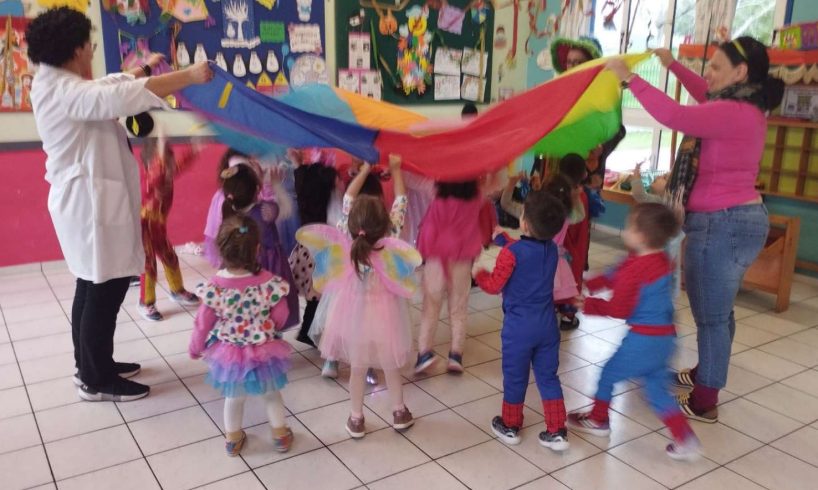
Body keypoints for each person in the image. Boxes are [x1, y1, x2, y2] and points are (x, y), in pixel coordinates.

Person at [27, 7, 212, 401]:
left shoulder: (57, 82)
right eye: (89, 45)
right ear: (75, 50)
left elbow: (109, 86)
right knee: (104, 287)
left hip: (88, 204)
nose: (92, 52)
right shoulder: (64, 91)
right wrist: (189, 76)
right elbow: (114, 96)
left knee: (93, 284)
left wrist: (144, 71)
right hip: (89, 207)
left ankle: (92, 364)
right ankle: (95, 379)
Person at [606, 36, 784, 422]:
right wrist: (671, 64)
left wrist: (630, 79)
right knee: (718, 312)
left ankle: (705, 399)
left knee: (712, 318)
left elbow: (676, 116)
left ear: (740, 72)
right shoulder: (746, 104)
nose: (709, 73)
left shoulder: (732, 110)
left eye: (716, 66)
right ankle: (707, 375)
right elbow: (703, 91)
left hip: (722, 223)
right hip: (736, 220)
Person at [568, 203, 700, 461]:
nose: (625, 229)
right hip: (666, 339)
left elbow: (620, 308)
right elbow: (615, 274)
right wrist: (590, 284)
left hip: (643, 340)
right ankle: (685, 439)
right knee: (657, 391)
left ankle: (598, 419)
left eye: (629, 225)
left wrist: (589, 304)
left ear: (641, 236)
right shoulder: (659, 259)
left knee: (608, 375)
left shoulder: (635, 268)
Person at [296, 194, 421, 439]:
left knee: (358, 369)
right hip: (386, 320)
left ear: (351, 226)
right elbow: (400, 206)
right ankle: (399, 413)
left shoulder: (346, 248)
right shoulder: (390, 248)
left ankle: (356, 419)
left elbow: (347, 200)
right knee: (391, 367)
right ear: (385, 226)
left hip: (353, 320)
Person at [189, 215, 294, 456]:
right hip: (265, 351)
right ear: (257, 249)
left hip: (230, 355)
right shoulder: (268, 283)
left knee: (233, 397)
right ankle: (280, 435)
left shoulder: (216, 286)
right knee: (271, 394)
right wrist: (270, 327)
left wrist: (196, 347)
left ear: (220, 249)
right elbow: (281, 315)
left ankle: (233, 439)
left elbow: (203, 323)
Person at [474, 191, 570, 451]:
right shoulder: (552, 250)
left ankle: (510, 424)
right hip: (547, 326)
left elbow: (494, 285)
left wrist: (480, 274)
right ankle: (557, 430)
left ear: (525, 223)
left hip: (518, 329)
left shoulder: (512, 254)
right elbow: (526, 249)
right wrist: (503, 237)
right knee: (548, 377)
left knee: (515, 377)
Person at [313, 156, 407, 385]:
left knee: (339, 324)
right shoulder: (390, 231)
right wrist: (396, 170)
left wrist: (365, 170)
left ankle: (332, 360)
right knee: (374, 331)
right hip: (380, 298)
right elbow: (401, 200)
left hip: (348, 294)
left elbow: (347, 197)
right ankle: (368, 366)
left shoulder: (348, 227)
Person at [129, 121, 202, 322]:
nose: (169, 166)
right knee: (149, 266)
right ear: (151, 164)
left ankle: (177, 290)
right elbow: (158, 172)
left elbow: (179, 165)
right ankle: (146, 302)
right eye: (164, 161)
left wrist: (193, 148)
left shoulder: (167, 173)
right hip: (144, 226)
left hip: (158, 227)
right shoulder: (148, 179)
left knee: (170, 257)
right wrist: (161, 144)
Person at [414, 178, 486, 374]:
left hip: (437, 257)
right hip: (462, 258)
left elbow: (416, 181)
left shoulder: (437, 195)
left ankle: (424, 352)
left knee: (431, 305)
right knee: (459, 306)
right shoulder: (476, 197)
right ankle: (456, 355)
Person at [220, 164, 300, 330]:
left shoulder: (230, 214)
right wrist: (276, 185)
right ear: (257, 189)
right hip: (270, 269)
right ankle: (272, 332)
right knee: (273, 304)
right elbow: (287, 209)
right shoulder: (266, 211)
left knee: (249, 306)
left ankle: (250, 331)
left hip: (240, 269)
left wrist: (258, 184)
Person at [499, 173, 580, 302]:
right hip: (555, 263)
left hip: (532, 262)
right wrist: (575, 197)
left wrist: (512, 183)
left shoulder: (532, 212)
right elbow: (581, 214)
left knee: (530, 295)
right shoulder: (568, 215)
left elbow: (505, 203)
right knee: (549, 299)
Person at [289, 151, 339, 348]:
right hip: (320, 251)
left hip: (305, 249)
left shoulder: (304, 195)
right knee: (316, 295)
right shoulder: (327, 203)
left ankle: (309, 330)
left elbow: (300, 177)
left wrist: (298, 163)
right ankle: (308, 331)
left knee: (314, 295)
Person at [629, 163, 684, 299]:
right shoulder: (658, 200)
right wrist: (636, 175)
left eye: (664, 177)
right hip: (653, 259)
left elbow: (675, 233)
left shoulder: (673, 205)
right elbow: (640, 195)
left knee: (662, 286)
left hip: (664, 262)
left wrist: (664, 191)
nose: (659, 176)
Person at [556, 154, 590, 330]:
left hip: (556, 246)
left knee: (554, 278)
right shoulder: (580, 196)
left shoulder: (555, 192)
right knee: (572, 279)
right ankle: (568, 316)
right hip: (574, 247)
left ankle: (552, 308)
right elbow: (581, 226)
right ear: (583, 174)